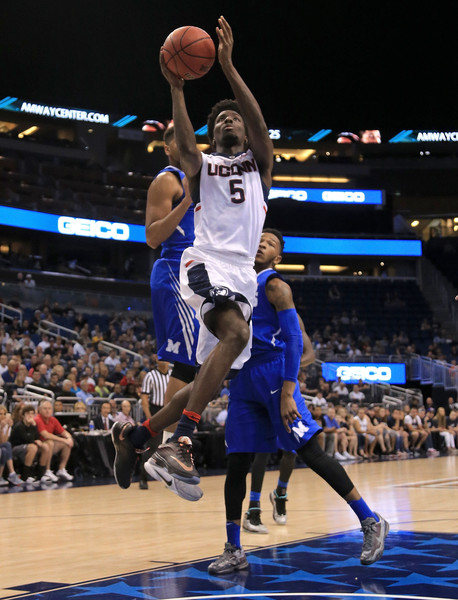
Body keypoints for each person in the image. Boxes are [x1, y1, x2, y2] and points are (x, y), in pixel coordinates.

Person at [112, 16, 273, 487]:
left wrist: (227, 66)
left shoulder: (259, 166)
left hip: (241, 274)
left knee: (208, 375)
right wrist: (178, 90)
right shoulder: (202, 168)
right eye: (221, 119)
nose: (229, 120)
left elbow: (260, 123)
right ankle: (179, 443)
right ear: (212, 133)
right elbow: (184, 145)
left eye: (234, 118)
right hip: (206, 262)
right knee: (237, 337)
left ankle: (138, 434)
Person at [205, 229, 388, 574]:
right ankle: (234, 548)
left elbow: (293, 338)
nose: (261, 244)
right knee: (236, 464)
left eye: (270, 243)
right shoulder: (234, 281)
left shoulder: (276, 286)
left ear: (278, 258)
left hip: (275, 376)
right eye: (258, 239)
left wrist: (289, 389)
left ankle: (370, 520)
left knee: (311, 451)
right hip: (244, 379)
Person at [144, 124, 199, 437]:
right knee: (190, 364)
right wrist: (186, 201)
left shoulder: (203, 179)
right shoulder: (168, 180)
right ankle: (170, 443)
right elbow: (152, 237)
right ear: (167, 148)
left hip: (199, 276)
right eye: (180, 141)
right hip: (175, 272)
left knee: (199, 364)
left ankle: (154, 442)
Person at [10, 404, 52, 483]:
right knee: (33, 447)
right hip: (15, 448)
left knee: (45, 446)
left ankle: (40, 475)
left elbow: (36, 437)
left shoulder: (33, 425)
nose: (30, 415)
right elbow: (26, 439)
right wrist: (35, 439)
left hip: (28, 446)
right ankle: (25, 476)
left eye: (32, 413)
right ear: (23, 415)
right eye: (28, 413)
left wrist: (38, 441)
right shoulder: (19, 426)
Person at [34, 400, 74, 482]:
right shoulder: (37, 419)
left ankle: (61, 469)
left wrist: (69, 438)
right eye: (45, 408)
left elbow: (64, 432)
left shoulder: (53, 419)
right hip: (37, 445)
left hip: (47, 445)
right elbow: (46, 435)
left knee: (67, 443)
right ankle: (47, 470)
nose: (47, 410)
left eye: (49, 408)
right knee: (50, 442)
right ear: (39, 410)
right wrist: (64, 439)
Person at [0, 405, 23, 486]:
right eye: (0, 414)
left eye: (4, 414)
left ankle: (0, 477)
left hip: (2, 446)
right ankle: (12, 473)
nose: (2, 416)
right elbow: (2, 441)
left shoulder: (5, 424)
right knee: (7, 445)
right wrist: (1, 428)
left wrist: (8, 427)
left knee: (4, 450)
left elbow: (4, 441)